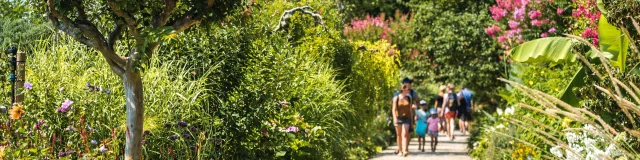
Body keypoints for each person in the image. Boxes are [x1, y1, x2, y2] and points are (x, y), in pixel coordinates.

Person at [393, 77, 420, 154]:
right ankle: (400, 149)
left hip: (409, 115)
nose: (410, 85)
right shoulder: (397, 94)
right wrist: (395, 117)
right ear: (404, 83)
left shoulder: (412, 93)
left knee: (407, 133)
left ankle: (406, 149)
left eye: (410, 83)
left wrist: (416, 107)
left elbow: (418, 101)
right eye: (409, 83)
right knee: (399, 134)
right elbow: (394, 107)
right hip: (399, 117)